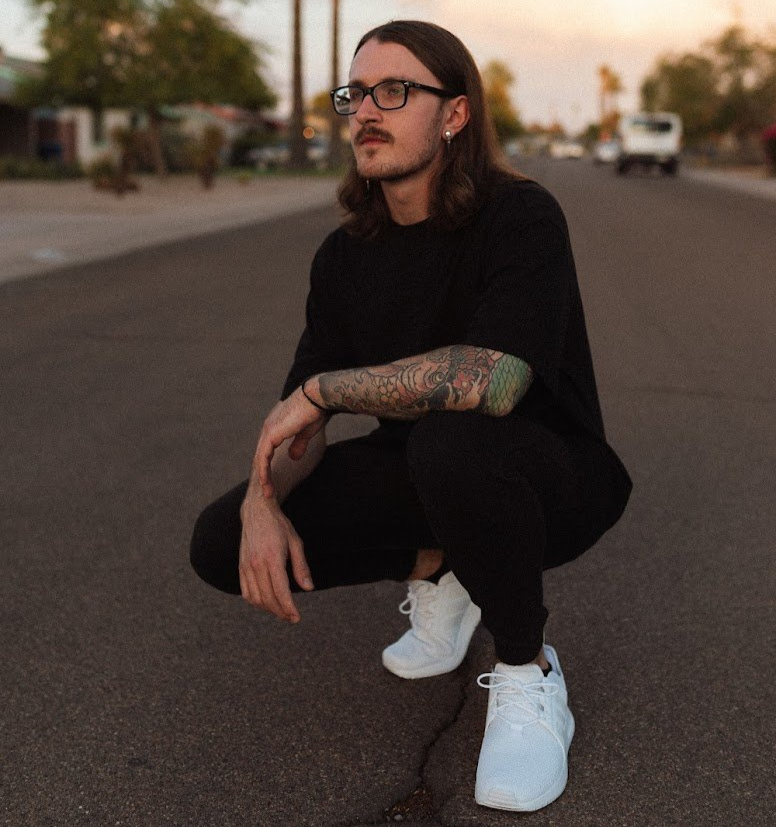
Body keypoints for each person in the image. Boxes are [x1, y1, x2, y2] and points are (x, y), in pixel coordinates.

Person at [190, 20, 632, 813]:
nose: (366, 111)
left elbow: (492, 383)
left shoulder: (520, 216)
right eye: (354, 94)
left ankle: (528, 673)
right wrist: (263, 495)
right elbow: (302, 422)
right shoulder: (343, 255)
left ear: (454, 113)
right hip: (433, 471)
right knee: (219, 541)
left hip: (549, 475)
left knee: (454, 440)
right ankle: (440, 569)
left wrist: (327, 392)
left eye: (393, 91)